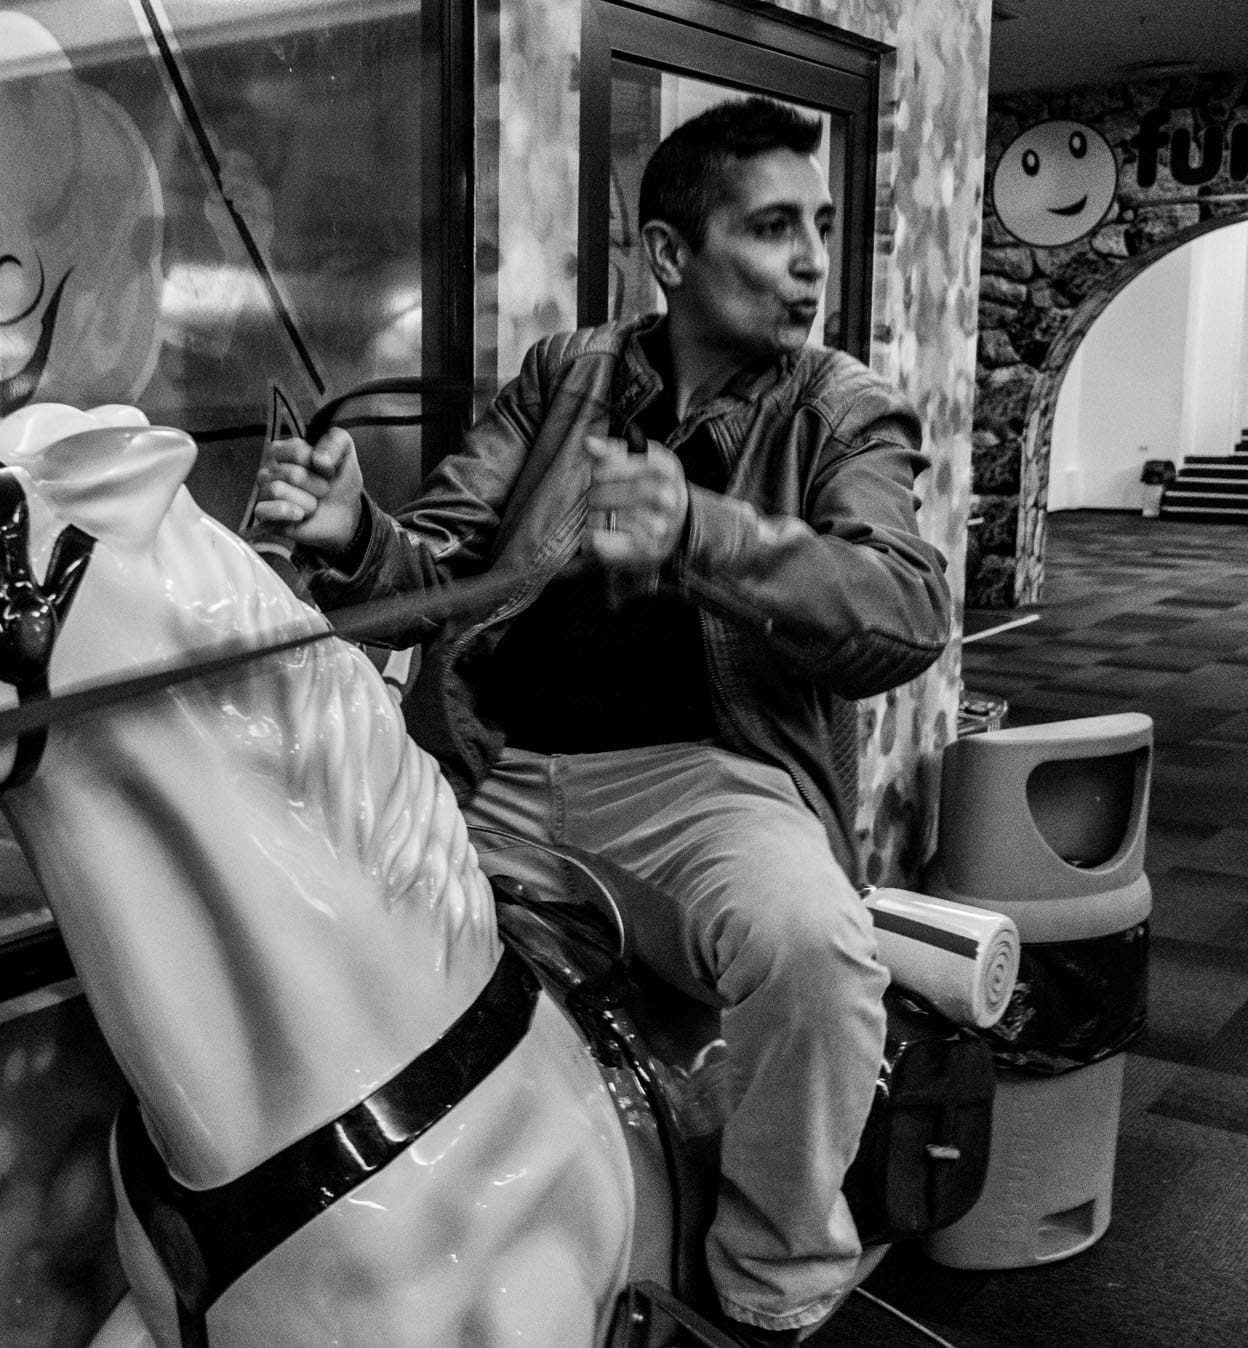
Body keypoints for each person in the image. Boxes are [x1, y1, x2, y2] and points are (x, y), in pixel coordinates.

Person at [251, 96, 949, 1346]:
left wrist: (701, 529)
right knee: (309, 934)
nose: (809, 262)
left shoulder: (840, 409)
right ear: (669, 254)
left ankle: (770, 1286)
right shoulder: (563, 375)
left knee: (815, 950)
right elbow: (433, 573)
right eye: (772, 228)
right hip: (493, 768)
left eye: (819, 227)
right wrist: (349, 532)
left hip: (706, 788)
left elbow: (902, 611)